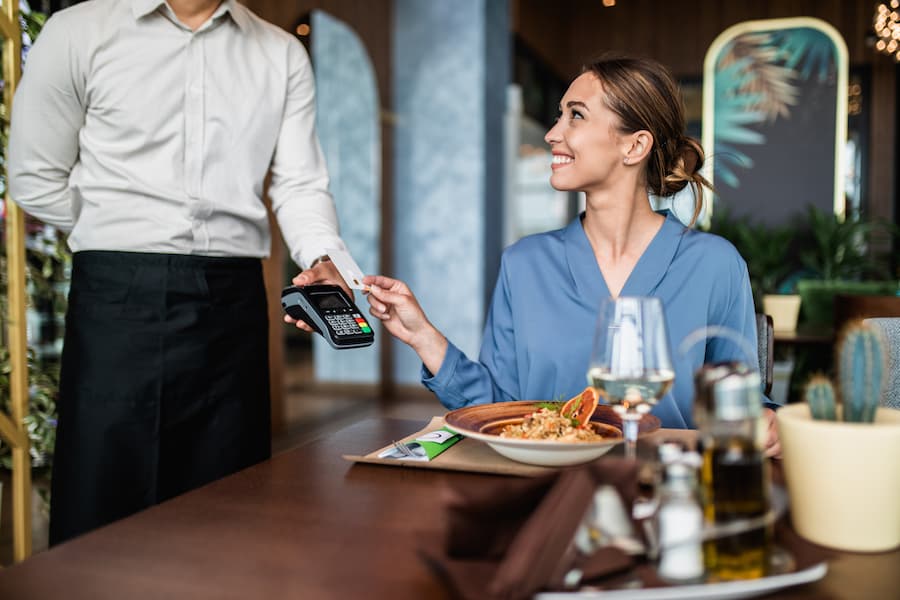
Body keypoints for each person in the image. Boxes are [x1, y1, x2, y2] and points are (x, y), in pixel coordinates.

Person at [8, 0, 352, 545]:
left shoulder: (281, 52)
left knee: (229, 509)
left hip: (233, 301)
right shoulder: (77, 31)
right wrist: (122, 228)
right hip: (116, 298)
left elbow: (299, 184)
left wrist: (322, 257)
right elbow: (34, 177)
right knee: (105, 506)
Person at [364, 54, 782, 458]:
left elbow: (742, 407)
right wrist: (423, 337)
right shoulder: (523, 264)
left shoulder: (716, 265)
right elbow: (501, 410)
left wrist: (768, 423)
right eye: (559, 115)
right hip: (544, 488)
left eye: (576, 115)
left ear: (635, 145)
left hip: (665, 487)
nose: (552, 134)